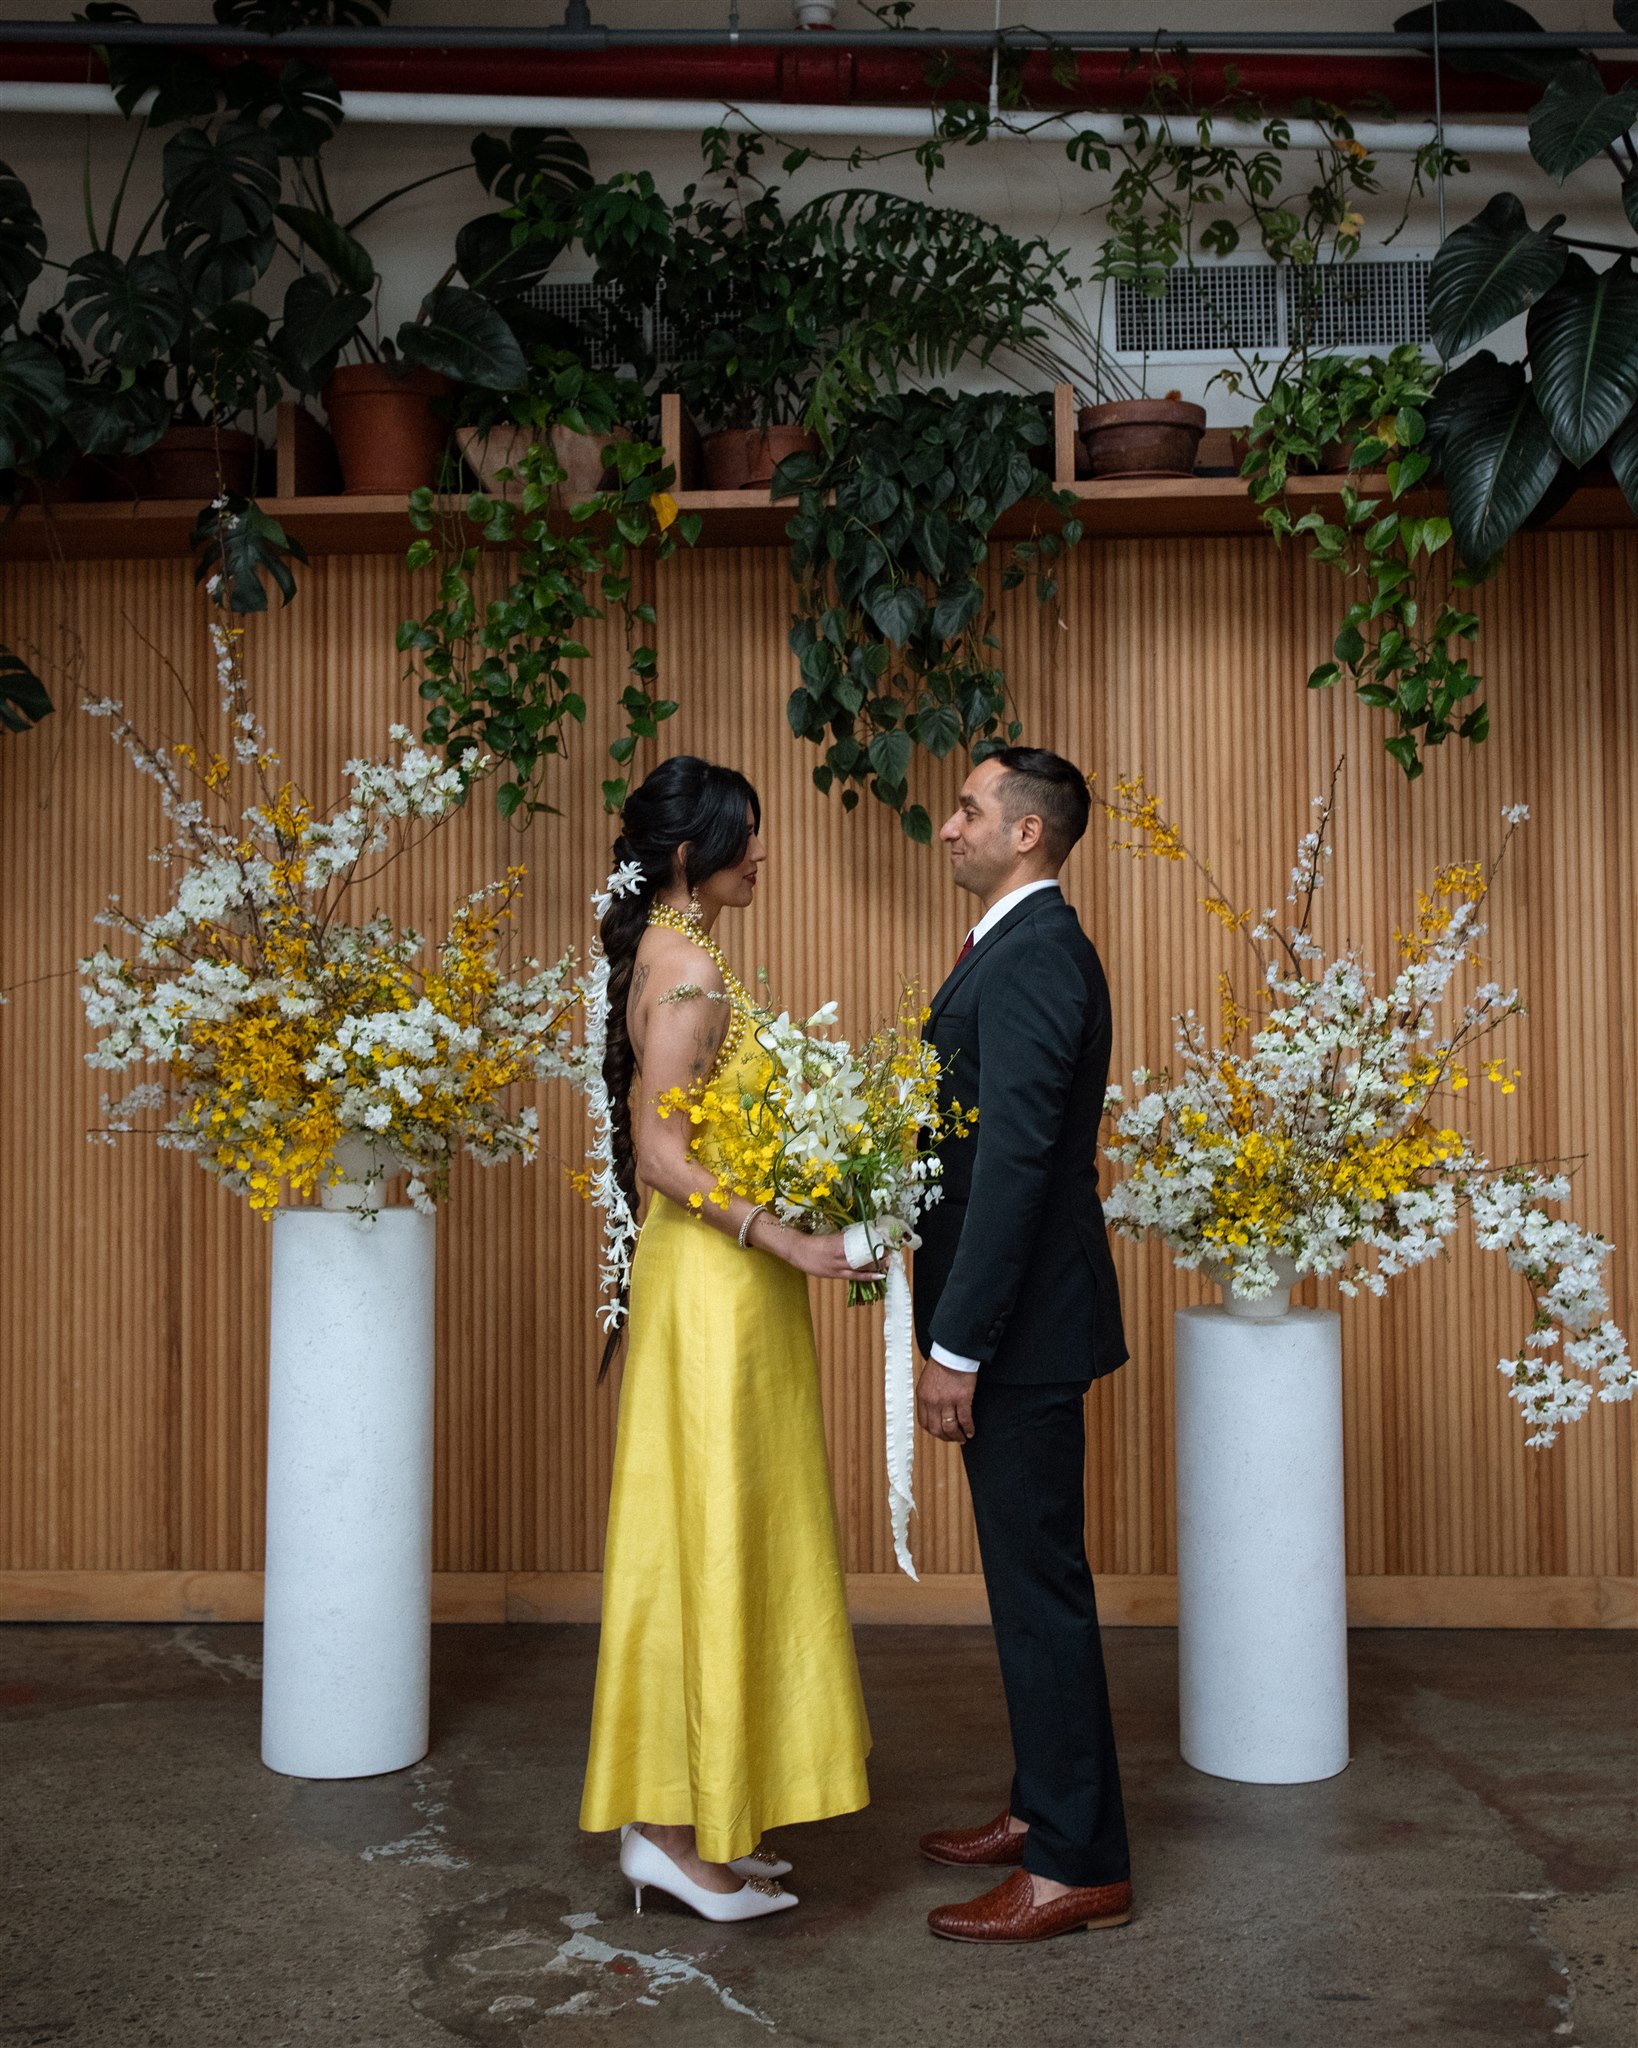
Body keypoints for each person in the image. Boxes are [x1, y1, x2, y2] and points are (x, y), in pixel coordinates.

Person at [578, 755, 874, 1924]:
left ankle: (698, 1818)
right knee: (711, 1533)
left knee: (716, 1534)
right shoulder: (691, 965)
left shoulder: (669, 951)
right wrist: (790, 1238)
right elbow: (662, 1158)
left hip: (712, 1283)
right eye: (748, 836)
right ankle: (678, 1836)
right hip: (718, 1288)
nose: (765, 854)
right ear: (695, 854)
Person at [912, 746, 1133, 1945]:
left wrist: (959, 1344)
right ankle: (1043, 1804)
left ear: (1029, 834)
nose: (950, 827)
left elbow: (1015, 1168)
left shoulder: (1039, 953)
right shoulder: (1014, 945)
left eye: (969, 809)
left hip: (1023, 1334)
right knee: (1025, 1585)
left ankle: (1077, 1860)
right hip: (1021, 1328)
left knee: (1041, 1590)